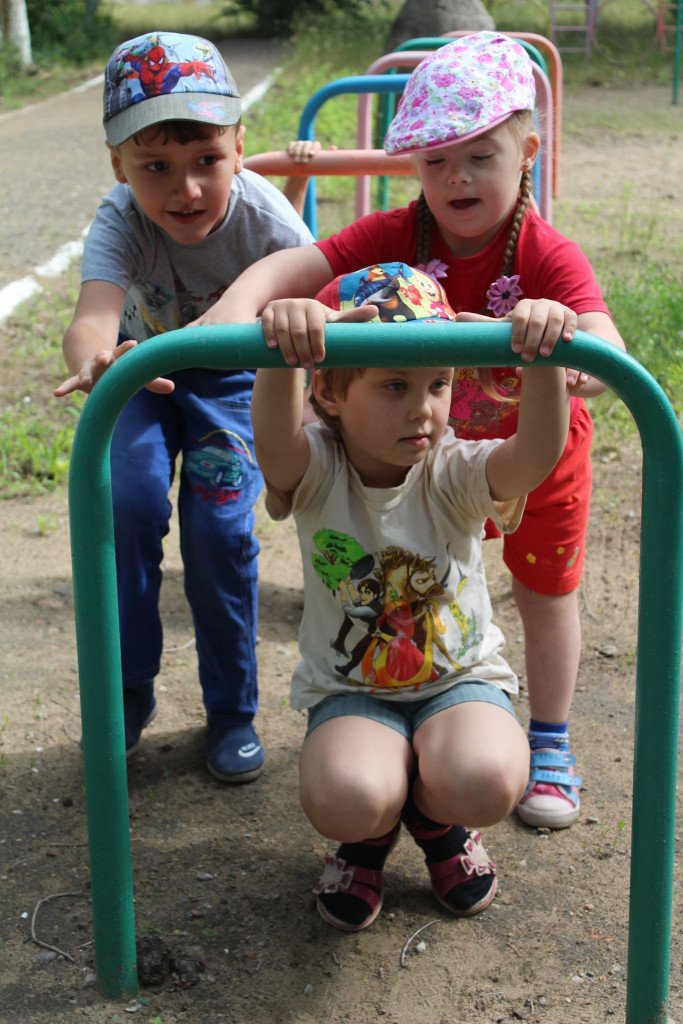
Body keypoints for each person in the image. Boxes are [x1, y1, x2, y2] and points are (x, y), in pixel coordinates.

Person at [191, 32, 627, 826]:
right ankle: (400, 744)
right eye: (435, 159)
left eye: (479, 156)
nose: (456, 176)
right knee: (411, 575)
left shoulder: (543, 252)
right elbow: (292, 269)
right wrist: (233, 313)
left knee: (543, 592)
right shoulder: (395, 236)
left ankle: (549, 737)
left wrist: (560, 345)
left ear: (526, 153)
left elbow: (605, 351)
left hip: (529, 451)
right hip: (410, 456)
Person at [250, 261, 570, 931]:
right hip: (353, 689)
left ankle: (433, 819)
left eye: (437, 383)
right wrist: (284, 354)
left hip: (458, 682)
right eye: (395, 385)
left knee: (486, 780)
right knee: (348, 797)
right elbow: (274, 444)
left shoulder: (453, 469)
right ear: (329, 392)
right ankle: (369, 836)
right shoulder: (317, 469)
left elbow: (536, 454)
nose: (423, 408)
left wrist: (540, 360)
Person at [54, 31, 314, 782]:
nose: (186, 190)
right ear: (119, 165)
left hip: (231, 383)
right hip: (142, 377)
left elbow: (313, 309)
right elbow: (92, 318)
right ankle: (125, 693)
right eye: (156, 168)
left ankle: (231, 711)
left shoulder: (268, 222)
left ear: (239, 146)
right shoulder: (122, 219)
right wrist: (96, 361)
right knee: (125, 505)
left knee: (220, 532)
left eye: (206, 160)